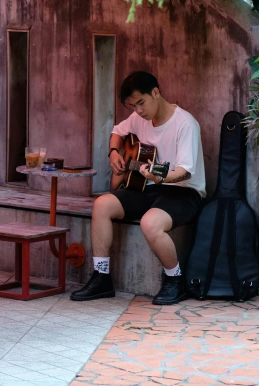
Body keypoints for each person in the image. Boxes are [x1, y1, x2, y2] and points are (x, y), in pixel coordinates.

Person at [71, 71, 206, 305]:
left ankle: (175, 279)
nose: (138, 111)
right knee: (102, 204)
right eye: (133, 107)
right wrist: (114, 152)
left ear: (156, 92)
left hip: (184, 192)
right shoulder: (139, 119)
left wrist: (159, 177)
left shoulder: (185, 124)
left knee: (150, 223)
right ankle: (101, 277)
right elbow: (117, 131)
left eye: (141, 103)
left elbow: (184, 171)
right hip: (147, 187)